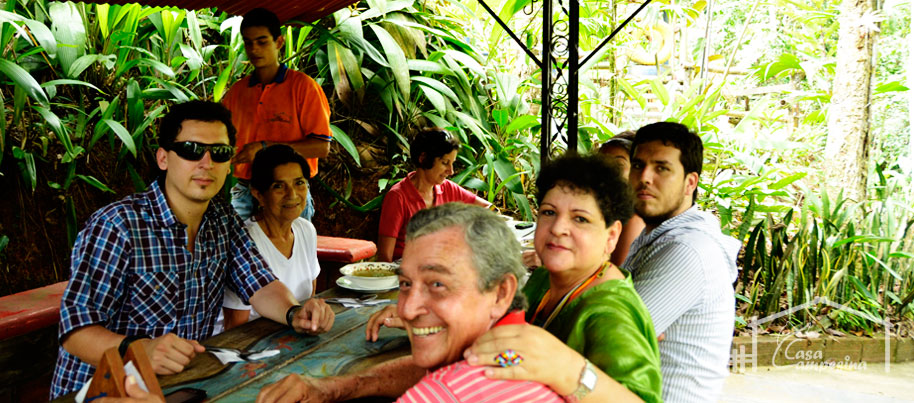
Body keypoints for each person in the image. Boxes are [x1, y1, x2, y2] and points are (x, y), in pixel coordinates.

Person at [51, 101, 335, 399]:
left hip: (181, 384)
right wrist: (141, 350)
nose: (206, 163)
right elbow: (76, 331)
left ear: (230, 163)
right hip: (99, 389)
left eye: (220, 153)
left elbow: (260, 283)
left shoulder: (222, 220)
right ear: (163, 158)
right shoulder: (117, 226)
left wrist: (294, 313)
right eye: (191, 149)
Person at [257, 203, 562, 403]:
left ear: (500, 292)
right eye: (405, 284)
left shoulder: (439, 395)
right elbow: (448, 370)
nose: (407, 309)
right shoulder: (521, 355)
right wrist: (334, 388)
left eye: (437, 284)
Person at [463, 153, 662, 402]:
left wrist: (569, 371)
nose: (557, 228)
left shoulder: (611, 313)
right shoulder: (546, 278)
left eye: (580, 219)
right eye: (549, 213)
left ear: (611, 236)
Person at [622, 122, 740, 402]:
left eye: (662, 168)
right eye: (638, 165)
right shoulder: (657, 234)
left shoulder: (686, 250)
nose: (645, 178)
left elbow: (612, 337)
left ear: (690, 182)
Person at [222, 8, 332, 221]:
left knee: (291, 252)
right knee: (237, 252)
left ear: (279, 42)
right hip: (245, 191)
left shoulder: (303, 87)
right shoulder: (236, 93)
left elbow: (321, 147)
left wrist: (264, 149)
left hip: (290, 192)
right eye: (248, 42)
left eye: (262, 42)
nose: (254, 49)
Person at [220, 145, 322, 332]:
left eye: (299, 183)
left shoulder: (306, 230)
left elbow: (309, 300)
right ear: (258, 194)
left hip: (294, 339)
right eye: (278, 186)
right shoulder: (245, 243)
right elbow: (234, 329)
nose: (292, 195)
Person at [377, 127, 492, 262]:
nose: (451, 171)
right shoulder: (398, 197)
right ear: (423, 158)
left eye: (452, 163)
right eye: (445, 163)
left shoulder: (447, 188)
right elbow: (384, 257)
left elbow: (487, 208)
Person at [597, 130, 646, 266]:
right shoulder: (611, 209)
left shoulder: (633, 219)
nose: (606, 171)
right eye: (600, 164)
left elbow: (615, 272)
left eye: (618, 165)